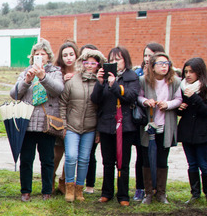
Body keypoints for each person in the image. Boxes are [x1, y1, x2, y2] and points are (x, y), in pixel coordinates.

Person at [11, 39, 64, 201]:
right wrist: (27, 81)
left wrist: (43, 77)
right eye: (36, 54)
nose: (39, 57)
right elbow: (14, 94)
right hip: (27, 124)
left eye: (43, 54)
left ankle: (47, 190)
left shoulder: (55, 72)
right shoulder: (26, 71)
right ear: (32, 57)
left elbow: (58, 90)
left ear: (48, 56)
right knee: (26, 159)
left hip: (45, 125)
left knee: (47, 160)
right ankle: (25, 191)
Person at [90, 46, 141, 205]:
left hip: (125, 126)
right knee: (107, 161)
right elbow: (95, 100)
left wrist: (115, 86)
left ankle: (123, 195)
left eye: (118, 59)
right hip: (106, 125)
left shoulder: (132, 77)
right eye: (111, 60)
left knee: (123, 162)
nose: (114, 62)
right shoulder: (104, 77)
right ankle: (106, 192)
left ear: (125, 60)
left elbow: (132, 96)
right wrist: (99, 83)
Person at [59, 47, 103, 202]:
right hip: (72, 126)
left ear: (98, 65)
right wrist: (64, 124)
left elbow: (101, 109)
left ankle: (79, 189)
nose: (90, 65)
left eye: (93, 63)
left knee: (85, 159)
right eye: (87, 62)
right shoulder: (72, 81)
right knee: (71, 156)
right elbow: (63, 103)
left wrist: (98, 131)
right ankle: (69, 187)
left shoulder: (100, 83)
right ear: (82, 63)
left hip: (90, 128)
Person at [137, 51, 182, 204]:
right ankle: (148, 193)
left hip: (165, 125)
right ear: (152, 66)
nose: (164, 67)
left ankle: (161, 193)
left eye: (167, 64)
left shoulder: (174, 81)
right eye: (160, 64)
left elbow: (179, 99)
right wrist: (145, 101)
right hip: (148, 125)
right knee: (147, 159)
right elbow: (138, 96)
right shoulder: (143, 80)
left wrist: (168, 104)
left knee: (162, 159)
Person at [177, 57, 207, 205]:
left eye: (191, 71)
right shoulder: (182, 87)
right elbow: (181, 111)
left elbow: (206, 111)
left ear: (199, 72)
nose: (188, 75)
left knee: (203, 163)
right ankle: (195, 193)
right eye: (186, 71)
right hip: (187, 132)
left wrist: (194, 97)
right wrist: (179, 109)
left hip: (202, 132)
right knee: (192, 164)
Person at [132, 42, 165, 202]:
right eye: (145, 55)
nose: (147, 58)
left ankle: (159, 190)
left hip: (161, 121)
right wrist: (145, 101)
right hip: (142, 122)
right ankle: (141, 188)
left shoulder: (167, 76)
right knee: (141, 156)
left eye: (150, 55)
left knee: (159, 157)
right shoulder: (139, 74)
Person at [52, 41, 79, 194]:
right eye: (65, 55)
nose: (68, 58)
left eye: (71, 54)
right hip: (59, 117)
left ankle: (64, 181)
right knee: (57, 152)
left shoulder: (81, 72)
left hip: (76, 117)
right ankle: (51, 178)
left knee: (71, 153)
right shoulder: (57, 73)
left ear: (76, 55)